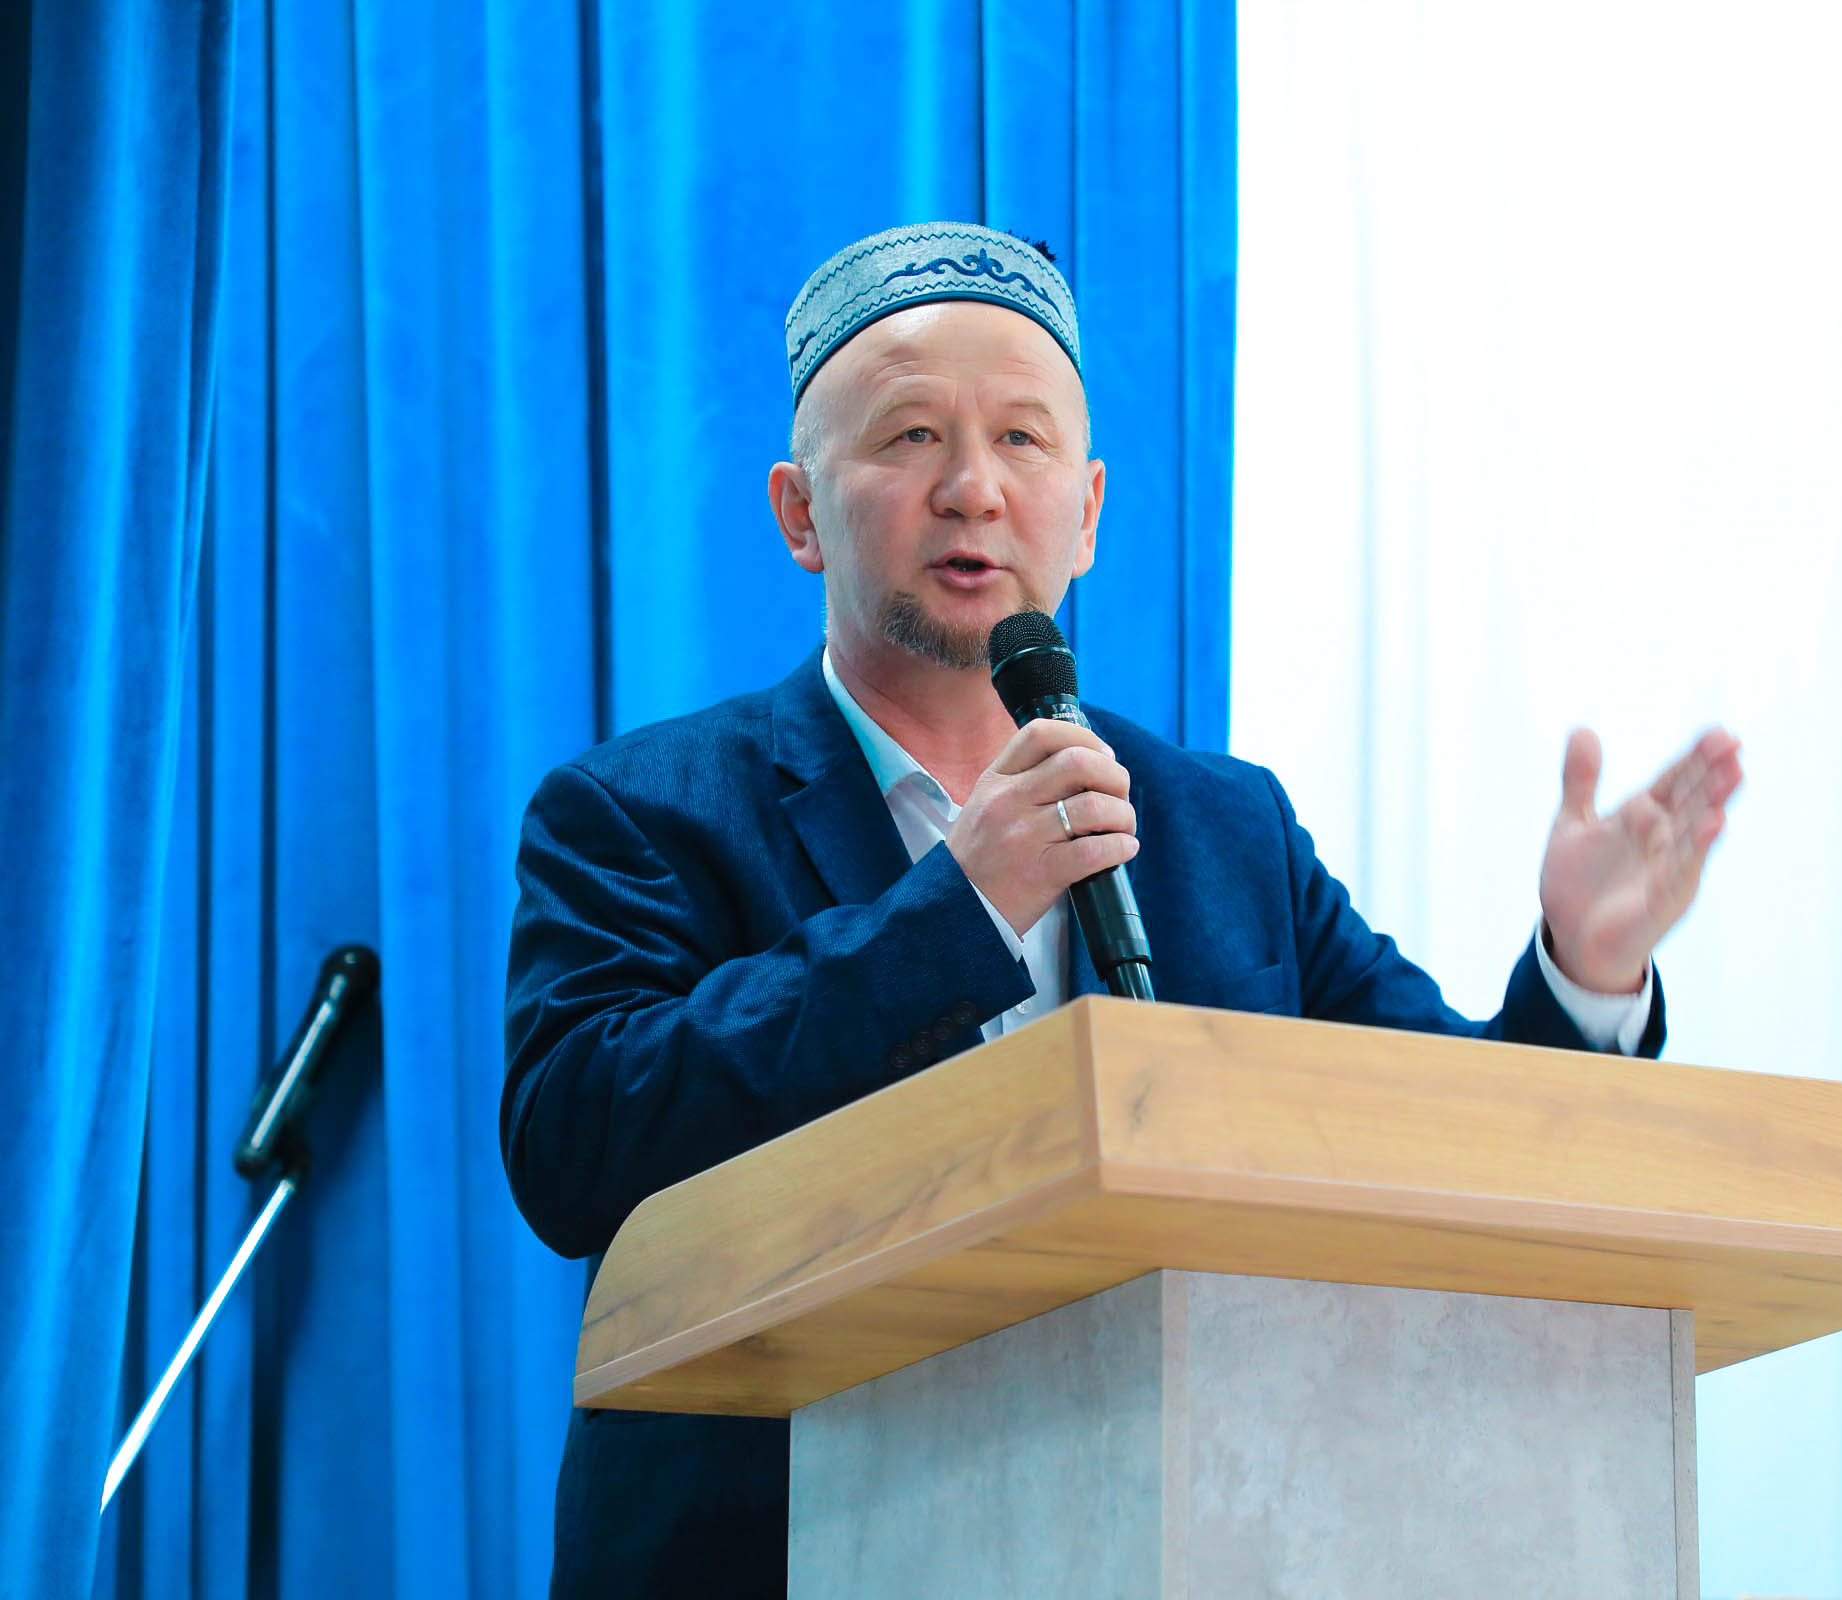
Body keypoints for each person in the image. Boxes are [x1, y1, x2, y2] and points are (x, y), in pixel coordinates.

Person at [502, 221, 1744, 1597]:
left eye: (1022, 440)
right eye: (911, 437)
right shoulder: (643, 810)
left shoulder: (1224, 827)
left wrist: (1582, 975)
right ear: (800, 514)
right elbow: (574, 1147)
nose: (973, 490)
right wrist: (958, 912)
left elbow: (1456, 1149)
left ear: (1087, 511)